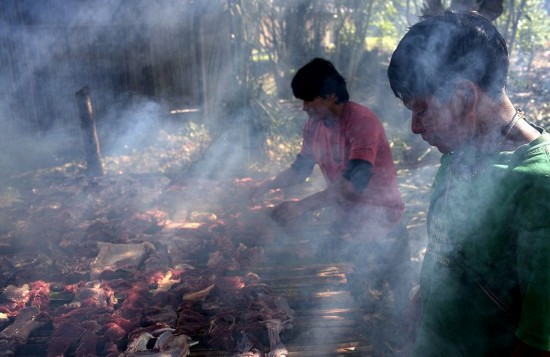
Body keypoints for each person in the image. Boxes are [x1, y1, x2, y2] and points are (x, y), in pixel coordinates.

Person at [388, 11, 550, 357]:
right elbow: (449, 250)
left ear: (464, 96)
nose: (415, 128)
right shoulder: (460, 154)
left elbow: (539, 340)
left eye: (421, 110)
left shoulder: (539, 185)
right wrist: (423, 298)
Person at [252, 57, 412, 336]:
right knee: (361, 307)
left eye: (308, 100)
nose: (304, 108)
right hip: (351, 228)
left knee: (400, 303)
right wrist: (265, 187)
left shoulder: (362, 121)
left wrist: (302, 206)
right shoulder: (313, 126)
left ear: (330, 95)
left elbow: (353, 185)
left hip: (384, 227)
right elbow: (300, 169)